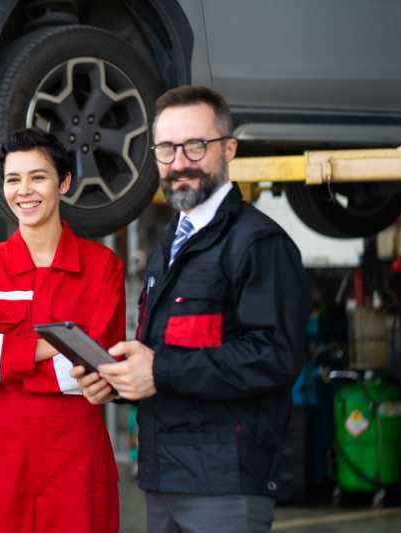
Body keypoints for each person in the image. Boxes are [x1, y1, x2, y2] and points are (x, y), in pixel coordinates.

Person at [73, 85, 309, 533]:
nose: (179, 162)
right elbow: (168, 353)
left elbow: (274, 357)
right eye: (166, 148)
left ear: (229, 149)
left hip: (225, 486)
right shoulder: (171, 246)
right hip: (164, 481)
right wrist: (120, 379)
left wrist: (158, 371)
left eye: (196, 145)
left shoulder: (258, 243)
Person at [0, 128, 125, 532]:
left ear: (63, 183)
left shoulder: (102, 269)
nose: (24, 191)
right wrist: (52, 345)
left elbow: (89, 371)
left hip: (75, 471)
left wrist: (5, 354)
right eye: (14, 179)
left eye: (38, 177)